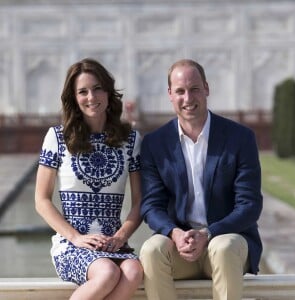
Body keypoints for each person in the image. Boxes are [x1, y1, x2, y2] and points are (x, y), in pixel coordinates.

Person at [139, 58, 263, 300]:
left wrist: (208, 233)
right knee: (151, 250)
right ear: (170, 94)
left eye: (194, 89)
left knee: (223, 247)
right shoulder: (155, 143)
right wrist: (174, 233)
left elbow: (249, 205)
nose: (188, 99)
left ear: (206, 88)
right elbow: (151, 205)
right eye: (180, 91)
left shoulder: (239, 138)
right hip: (181, 246)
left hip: (226, 239)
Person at [35, 58, 143, 300]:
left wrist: (121, 237)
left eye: (97, 89)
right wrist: (76, 237)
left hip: (113, 243)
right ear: (74, 98)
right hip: (72, 244)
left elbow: (140, 202)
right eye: (82, 92)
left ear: (108, 91)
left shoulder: (132, 140)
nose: (91, 97)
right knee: (106, 273)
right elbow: (41, 200)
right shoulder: (58, 137)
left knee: (134, 271)